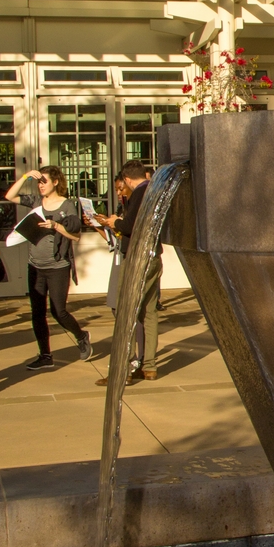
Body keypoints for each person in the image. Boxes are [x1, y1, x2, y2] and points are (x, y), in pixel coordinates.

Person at [5, 166, 92, 371]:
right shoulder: (37, 203)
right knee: (37, 312)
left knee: (58, 311)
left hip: (58, 266)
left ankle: (81, 336)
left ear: (55, 182)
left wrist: (56, 226)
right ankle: (45, 355)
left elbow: (75, 235)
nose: (40, 185)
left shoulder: (67, 205)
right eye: (39, 181)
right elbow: (10, 196)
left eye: (44, 181)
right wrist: (26, 176)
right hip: (35, 266)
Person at [95, 159, 161, 384]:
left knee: (127, 311)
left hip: (136, 258)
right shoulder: (155, 190)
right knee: (149, 311)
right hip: (153, 255)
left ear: (127, 179)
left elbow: (130, 226)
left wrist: (115, 222)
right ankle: (149, 366)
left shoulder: (139, 194)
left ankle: (123, 369)